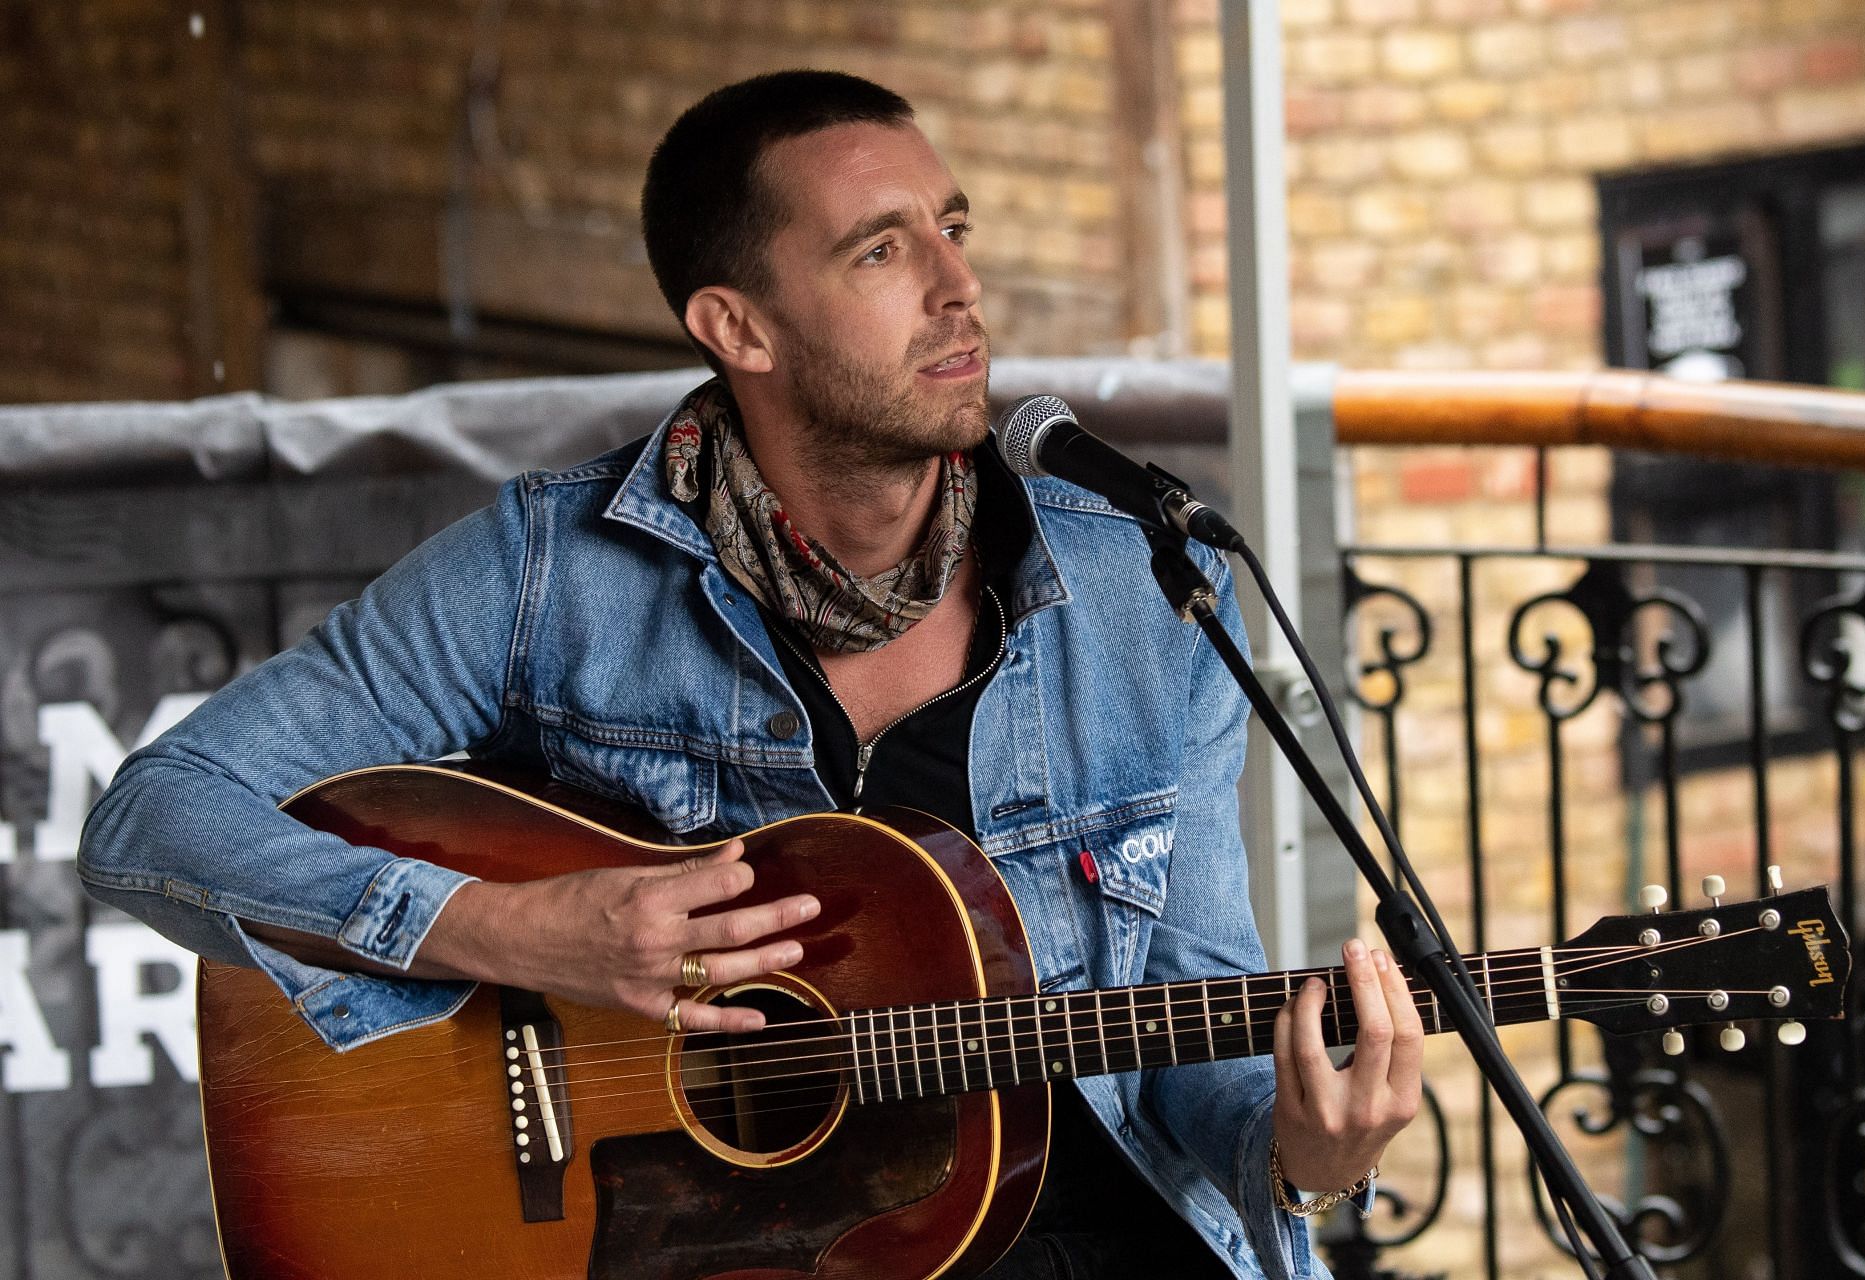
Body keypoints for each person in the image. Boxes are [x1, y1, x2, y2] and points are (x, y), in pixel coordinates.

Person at [79, 70, 1422, 1279]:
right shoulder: (551, 574)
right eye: (882, 249)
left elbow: (1203, 1045)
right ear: (742, 326)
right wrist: (515, 930)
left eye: (953, 228)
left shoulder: (1139, 589)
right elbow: (153, 821)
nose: (958, 290)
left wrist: (1310, 1151)